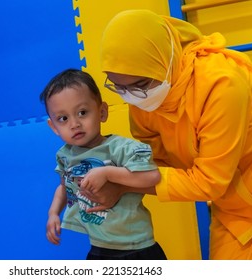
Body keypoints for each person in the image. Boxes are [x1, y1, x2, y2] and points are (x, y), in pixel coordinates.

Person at [84, 9, 252, 260]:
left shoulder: (220, 84)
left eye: (138, 86)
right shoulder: (142, 100)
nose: (130, 96)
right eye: (118, 86)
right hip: (234, 191)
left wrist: (121, 181)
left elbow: (209, 182)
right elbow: (152, 164)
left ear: (164, 61)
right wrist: (121, 180)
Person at [40, 68, 167, 260]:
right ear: (54, 127)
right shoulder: (65, 155)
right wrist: (53, 213)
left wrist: (108, 173)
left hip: (137, 246)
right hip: (99, 246)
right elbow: (64, 188)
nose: (74, 124)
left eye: (82, 112)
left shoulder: (120, 148)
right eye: (63, 118)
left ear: (102, 112)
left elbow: (152, 176)